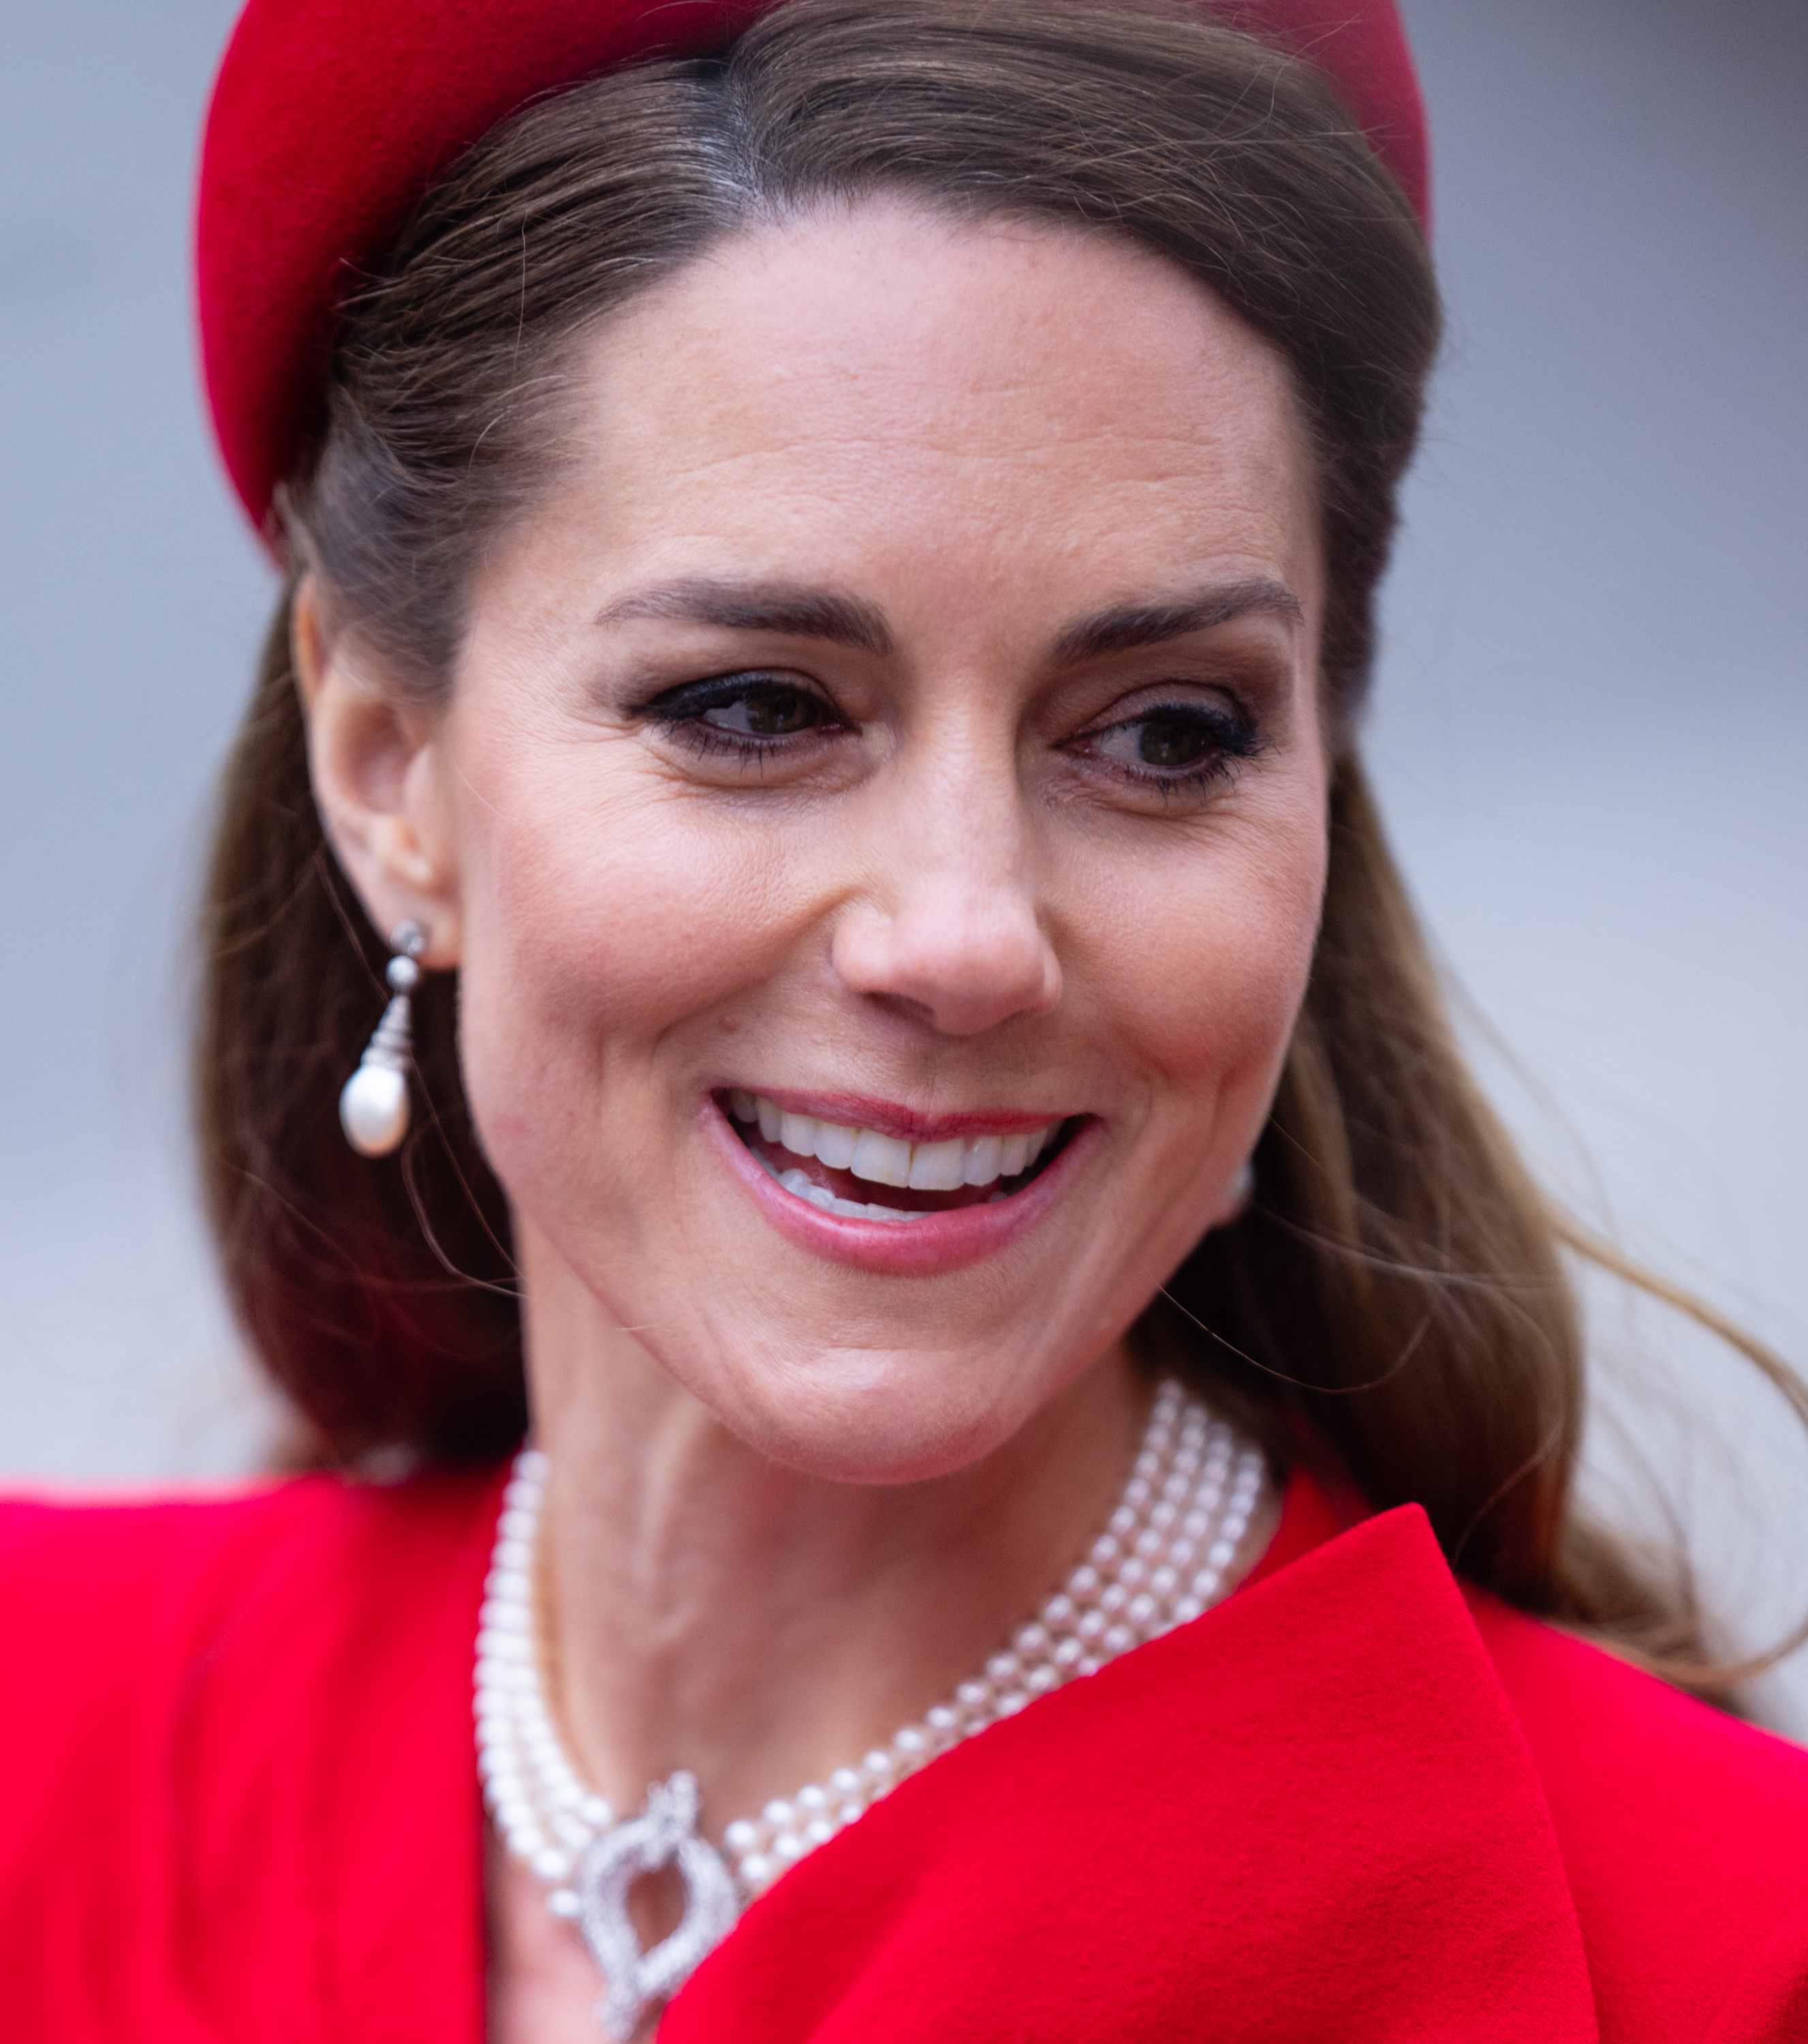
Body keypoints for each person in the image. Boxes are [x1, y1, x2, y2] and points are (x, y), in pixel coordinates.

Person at [4, 0, 1807, 2037]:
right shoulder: (40, 1758)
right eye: (755, 708)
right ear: (387, 763)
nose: (964, 937)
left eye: (1164, 734)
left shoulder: (1714, 1956)